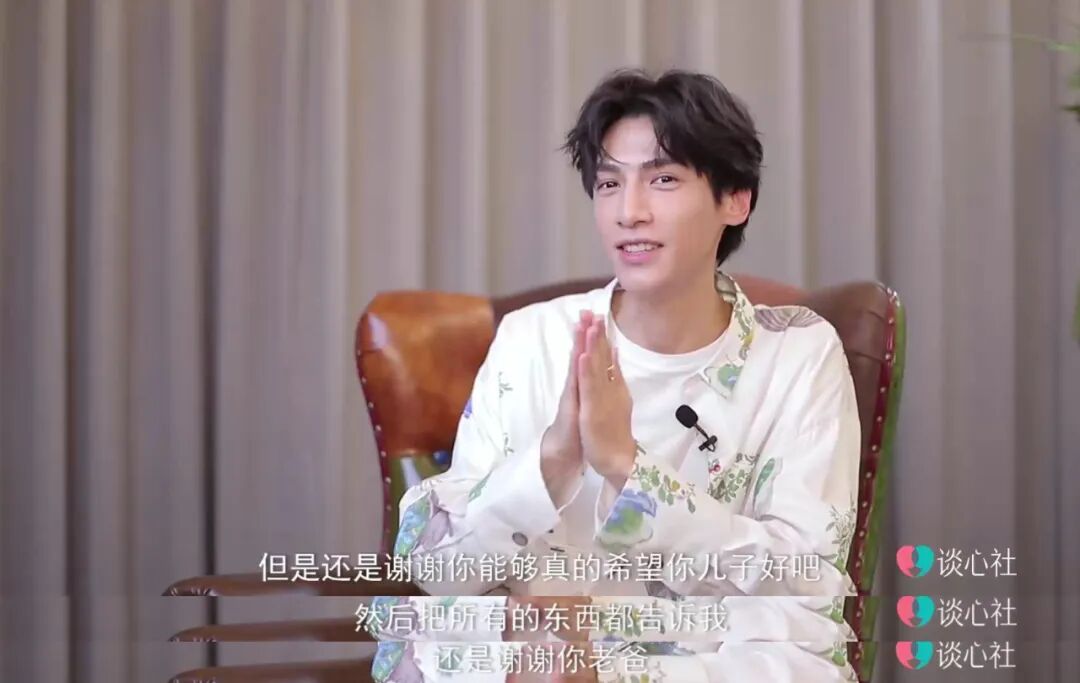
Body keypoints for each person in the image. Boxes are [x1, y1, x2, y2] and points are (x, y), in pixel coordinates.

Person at [370, 69, 861, 683]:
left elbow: (806, 586)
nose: (629, 212)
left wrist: (629, 470)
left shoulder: (798, 355)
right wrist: (553, 459)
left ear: (735, 200)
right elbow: (438, 572)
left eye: (663, 179)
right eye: (609, 183)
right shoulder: (533, 341)